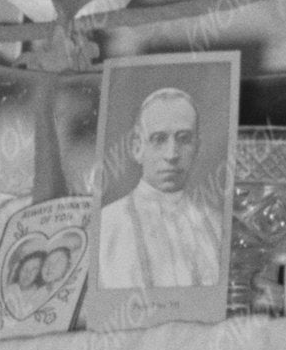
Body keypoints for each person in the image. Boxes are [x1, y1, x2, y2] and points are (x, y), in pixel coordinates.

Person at [91, 85, 226, 323]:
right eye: (159, 139)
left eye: (184, 139)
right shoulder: (104, 226)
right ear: (137, 147)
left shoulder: (218, 225)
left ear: (197, 147)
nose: (172, 154)